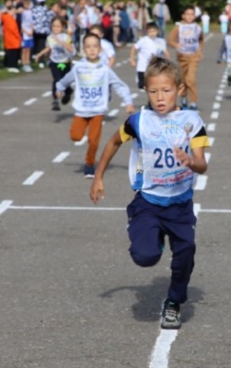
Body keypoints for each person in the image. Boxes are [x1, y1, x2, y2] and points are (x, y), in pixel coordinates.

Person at [90, 56, 210, 330]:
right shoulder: (139, 120)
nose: (159, 97)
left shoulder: (192, 121)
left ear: (179, 89)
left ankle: (173, 303)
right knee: (146, 257)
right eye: (153, 91)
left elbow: (202, 163)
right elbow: (113, 142)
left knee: (187, 251)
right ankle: (151, 235)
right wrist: (98, 177)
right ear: (146, 91)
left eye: (166, 90)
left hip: (180, 205)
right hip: (148, 202)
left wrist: (191, 161)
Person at [56, 33, 135, 178]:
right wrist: (59, 87)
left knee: (93, 140)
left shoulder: (105, 69)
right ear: (83, 50)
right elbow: (66, 79)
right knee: (75, 136)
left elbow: (119, 85)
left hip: (98, 110)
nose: (92, 50)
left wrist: (128, 102)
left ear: (100, 49)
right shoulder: (79, 67)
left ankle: (89, 164)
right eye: (88, 47)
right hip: (81, 109)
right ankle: (86, 154)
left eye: (95, 46)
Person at [35, 17, 75, 111]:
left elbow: (71, 49)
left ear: (63, 27)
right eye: (54, 26)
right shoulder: (50, 37)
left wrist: (62, 43)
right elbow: (48, 48)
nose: (56, 28)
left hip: (65, 63)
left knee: (65, 80)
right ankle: (55, 100)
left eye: (58, 26)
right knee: (57, 79)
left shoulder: (66, 37)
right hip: (55, 62)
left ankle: (68, 91)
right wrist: (40, 54)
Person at [168, 6, 204, 110]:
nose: (190, 16)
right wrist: (176, 45)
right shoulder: (179, 27)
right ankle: (183, 97)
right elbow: (170, 40)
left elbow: (201, 39)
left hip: (193, 56)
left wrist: (200, 50)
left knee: (191, 79)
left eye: (192, 14)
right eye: (187, 14)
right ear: (183, 16)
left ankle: (193, 102)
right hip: (182, 57)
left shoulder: (197, 27)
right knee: (182, 79)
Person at [130, 22, 169, 91]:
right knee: (142, 86)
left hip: (155, 66)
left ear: (157, 31)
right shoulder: (143, 40)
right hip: (142, 66)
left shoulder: (161, 41)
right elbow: (134, 47)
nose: (152, 33)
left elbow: (165, 52)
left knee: (153, 85)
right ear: (146, 32)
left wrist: (166, 60)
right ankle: (139, 79)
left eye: (154, 31)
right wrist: (132, 59)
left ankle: (151, 100)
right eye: (149, 32)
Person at [0, 1, 21, 72]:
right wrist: (18, 37)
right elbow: (14, 29)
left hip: (8, 38)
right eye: (13, 11)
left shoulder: (5, 17)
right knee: (13, 54)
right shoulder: (10, 18)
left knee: (10, 53)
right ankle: (12, 66)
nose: (14, 12)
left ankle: (10, 65)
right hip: (13, 39)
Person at [20, 0, 34, 72]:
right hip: (24, 33)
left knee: (28, 49)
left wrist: (31, 30)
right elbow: (21, 26)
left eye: (28, 4)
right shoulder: (22, 13)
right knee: (24, 49)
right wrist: (25, 31)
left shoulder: (30, 12)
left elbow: (32, 23)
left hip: (29, 33)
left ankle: (28, 62)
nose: (27, 6)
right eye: (25, 4)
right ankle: (23, 63)